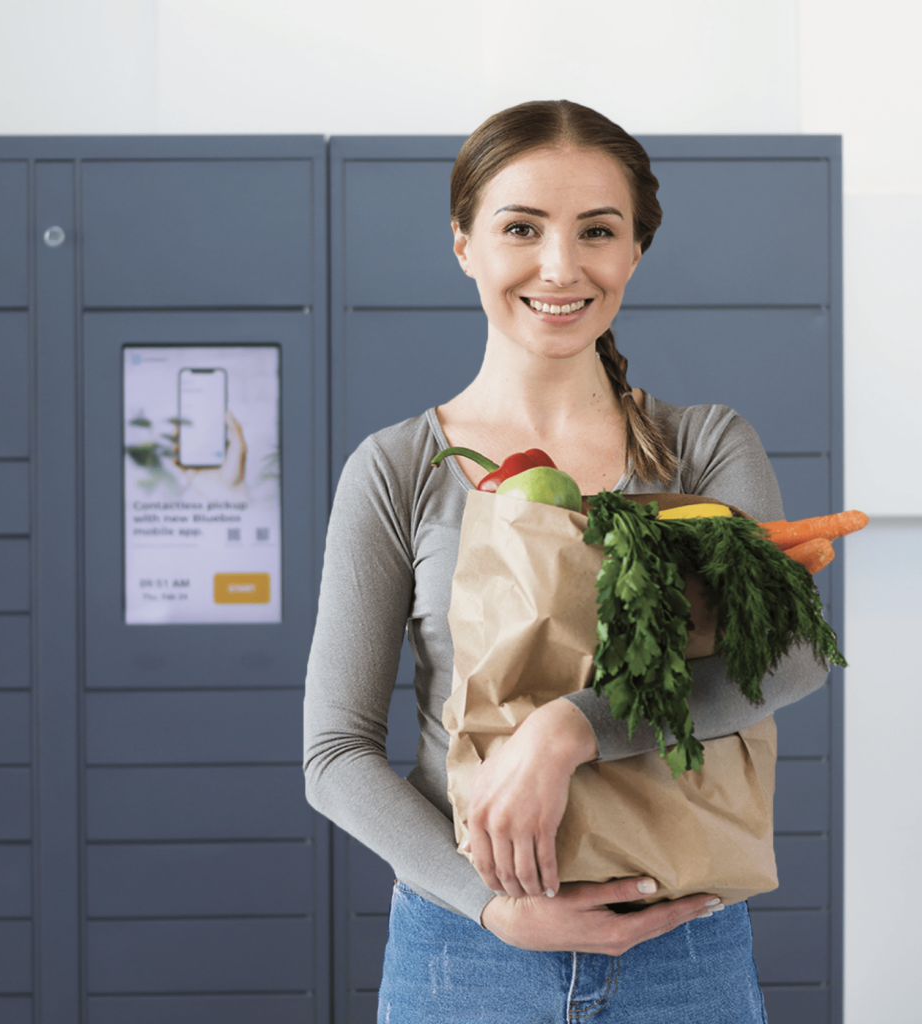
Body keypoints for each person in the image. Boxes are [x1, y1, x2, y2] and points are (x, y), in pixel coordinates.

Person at [304, 99, 829, 1022]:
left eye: (598, 231)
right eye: (521, 227)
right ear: (464, 242)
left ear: (633, 252)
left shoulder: (701, 448)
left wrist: (570, 729)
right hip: (464, 953)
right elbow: (335, 754)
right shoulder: (397, 470)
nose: (561, 266)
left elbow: (787, 657)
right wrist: (492, 908)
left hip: (686, 944)